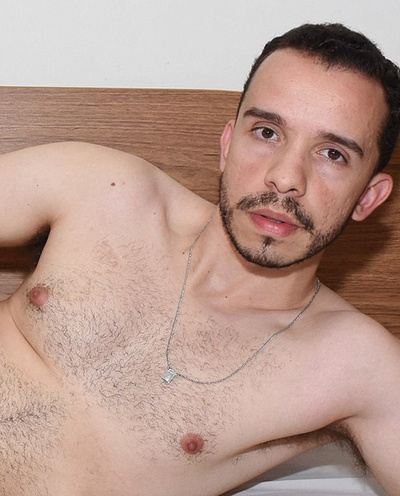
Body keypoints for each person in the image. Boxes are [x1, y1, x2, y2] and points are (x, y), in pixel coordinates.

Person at [0, 21, 399, 496]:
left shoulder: (354, 365)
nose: (286, 177)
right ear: (228, 145)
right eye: (267, 132)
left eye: (332, 154)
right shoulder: (104, 191)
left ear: (367, 197)